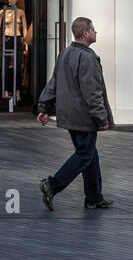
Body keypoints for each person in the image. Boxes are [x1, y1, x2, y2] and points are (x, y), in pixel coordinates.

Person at [37, 17, 115, 211]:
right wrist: (101, 118)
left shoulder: (65, 53)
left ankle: (94, 198)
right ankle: (52, 185)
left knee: (90, 155)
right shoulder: (87, 57)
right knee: (84, 155)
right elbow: (92, 92)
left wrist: (44, 107)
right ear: (85, 33)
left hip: (70, 116)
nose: (96, 32)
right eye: (93, 29)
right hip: (83, 117)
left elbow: (53, 82)